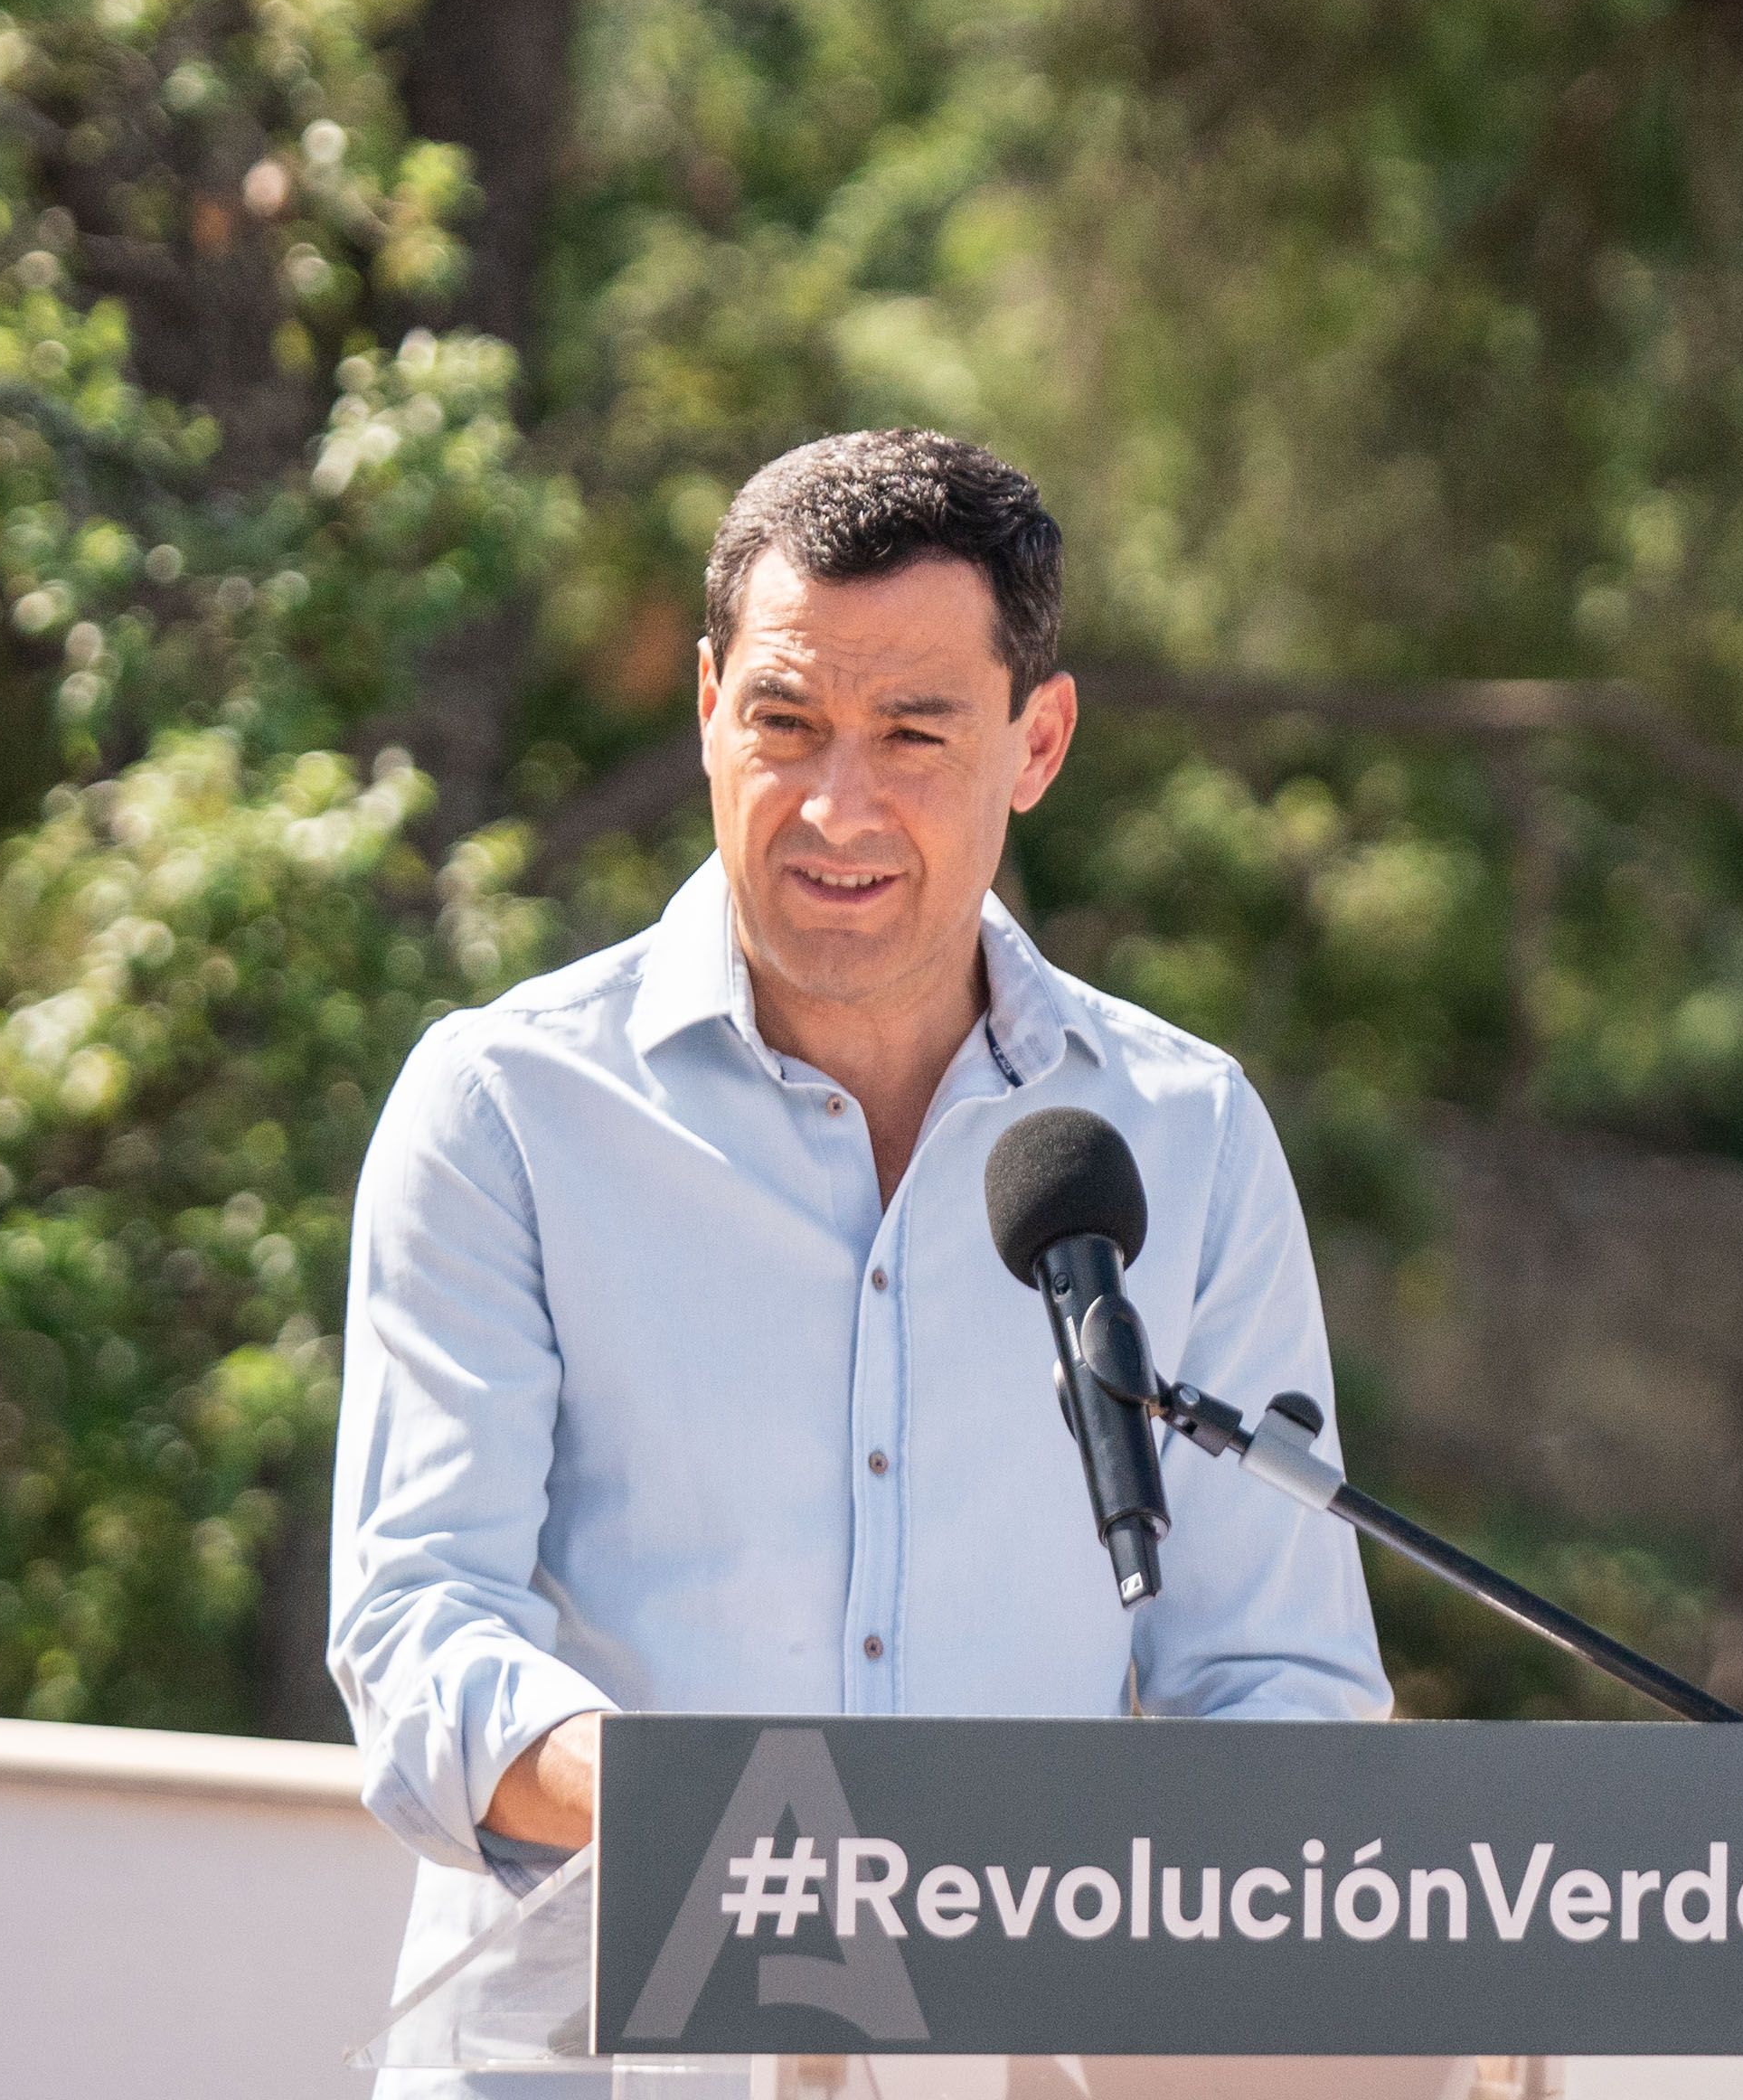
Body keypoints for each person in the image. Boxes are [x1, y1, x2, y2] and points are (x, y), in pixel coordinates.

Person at [328, 428, 1390, 2064]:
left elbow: (1276, 1681)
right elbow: (417, 1629)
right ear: (705, 709)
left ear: (1038, 744)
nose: (838, 804)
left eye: (912, 732)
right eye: (785, 721)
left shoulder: (1192, 1136)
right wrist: (685, 1812)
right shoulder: (504, 1109)